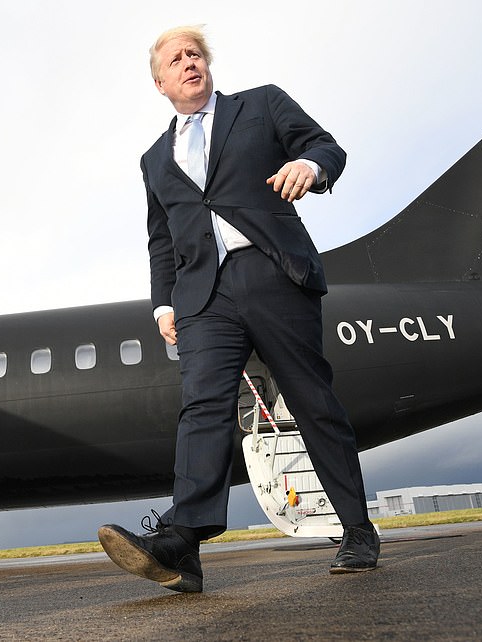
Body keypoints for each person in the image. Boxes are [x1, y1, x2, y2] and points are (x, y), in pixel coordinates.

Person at [98, 25, 379, 593]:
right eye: (175, 60)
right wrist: (162, 306)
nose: (188, 63)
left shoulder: (261, 104)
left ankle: (356, 529)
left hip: (271, 270)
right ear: (160, 83)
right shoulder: (155, 158)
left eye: (195, 54)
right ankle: (184, 545)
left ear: (208, 64)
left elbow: (327, 147)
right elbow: (161, 239)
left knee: (310, 398)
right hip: (202, 296)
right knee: (202, 406)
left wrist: (312, 168)